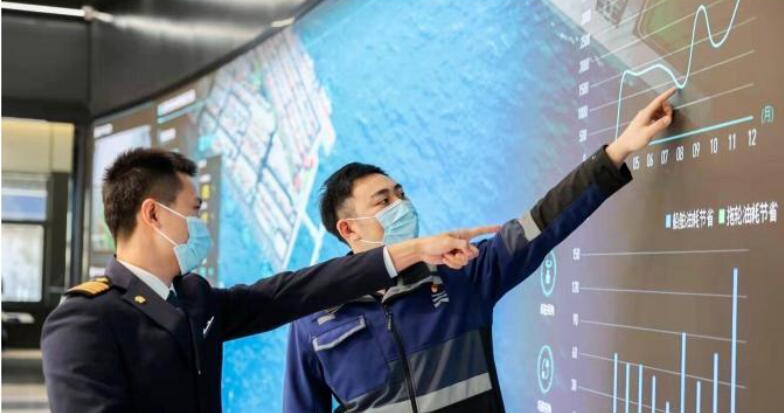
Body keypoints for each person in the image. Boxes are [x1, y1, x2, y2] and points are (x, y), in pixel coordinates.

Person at [283, 88, 677, 412]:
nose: (401, 205)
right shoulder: (313, 320)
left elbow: (541, 223)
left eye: (401, 194)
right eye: (383, 201)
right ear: (349, 229)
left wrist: (617, 151)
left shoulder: (460, 274)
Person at [41, 148, 497, 413]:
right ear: (154, 214)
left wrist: (410, 250)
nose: (202, 224)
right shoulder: (85, 320)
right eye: (194, 211)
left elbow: (293, 292)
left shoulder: (194, 298)